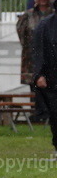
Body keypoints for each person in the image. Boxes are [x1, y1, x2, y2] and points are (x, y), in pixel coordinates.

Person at [17, 0, 53, 123]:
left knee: (51, 83)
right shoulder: (28, 15)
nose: (42, 1)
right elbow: (21, 33)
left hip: (51, 55)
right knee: (35, 84)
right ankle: (38, 113)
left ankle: (50, 113)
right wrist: (31, 47)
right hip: (31, 56)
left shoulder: (53, 14)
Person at [31, 9, 57, 158]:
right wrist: (39, 74)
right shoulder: (45, 25)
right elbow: (38, 52)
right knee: (55, 114)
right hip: (52, 78)